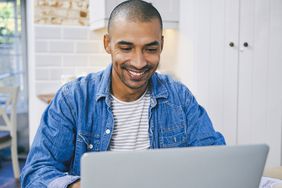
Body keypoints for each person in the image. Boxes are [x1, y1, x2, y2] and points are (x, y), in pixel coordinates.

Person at [20, 0, 225, 187]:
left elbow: (218, 161)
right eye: (126, 48)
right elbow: (35, 174)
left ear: (161, 45)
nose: (139, 62)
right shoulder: (72, 99)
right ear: (107, 44)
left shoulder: (180, 97)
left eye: (150, 49)